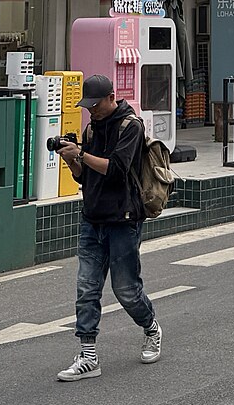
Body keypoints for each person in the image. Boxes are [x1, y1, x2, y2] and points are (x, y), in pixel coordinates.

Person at [54, 75, 159, 381]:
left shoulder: (131, 126)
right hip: (92, 218)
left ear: (112, 97)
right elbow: (83, 178)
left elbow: (116, 169)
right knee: (86, 288)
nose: (92, 111)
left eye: (96, 105)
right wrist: (72, 160)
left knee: (125, 290)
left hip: (124, 220)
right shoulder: (91, 128)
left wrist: (81, 154)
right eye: (88, 107)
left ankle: (151, 327)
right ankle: (88, 355)